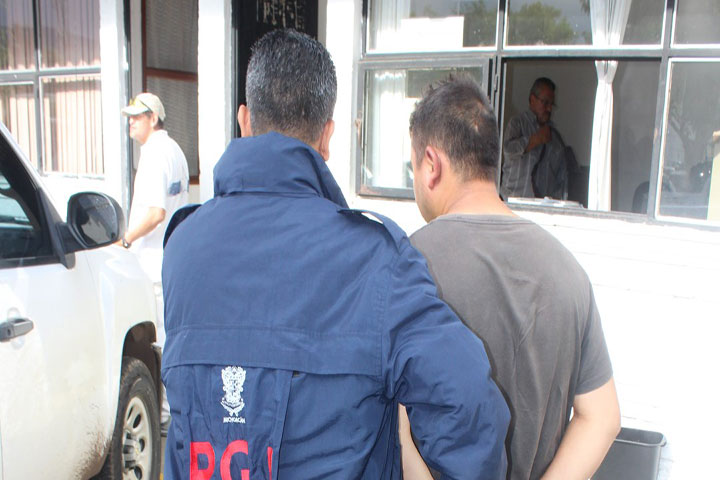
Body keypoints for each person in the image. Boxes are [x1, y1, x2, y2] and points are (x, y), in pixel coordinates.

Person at [160, 29, 509, 479]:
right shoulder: (376, 260)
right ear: (327, 137)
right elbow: (467, 402)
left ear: (244, 121)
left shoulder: (183, 247)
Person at [400, 76, 620, 480]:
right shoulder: (569, 272)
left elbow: (382, 423)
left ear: (431, 164)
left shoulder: (404, 266)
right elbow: (602, 418)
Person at [120, 92, 189, 429]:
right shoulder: (175, 151)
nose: (131, 123)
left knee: (157, 340)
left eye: (137, 117)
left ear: (153, 118)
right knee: (171, 334)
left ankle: (162, 413)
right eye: (130, 117)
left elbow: (155, 213)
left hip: (152, 262)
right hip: (172, 258)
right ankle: (172, 408)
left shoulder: (153, 155)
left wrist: (125, 239)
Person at [501, 77, 568, 200]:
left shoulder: (556, 138)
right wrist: (535, 140)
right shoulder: (517, 123)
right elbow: (508, 151)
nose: (549, 109)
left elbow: (562, 178)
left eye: (551, 104)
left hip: (543, 207)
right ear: (532, 99)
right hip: (514, 203)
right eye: (545, 103)